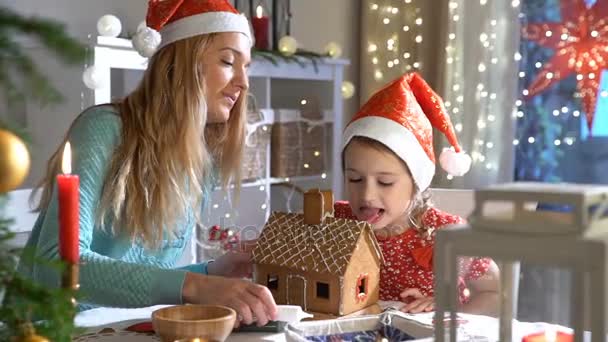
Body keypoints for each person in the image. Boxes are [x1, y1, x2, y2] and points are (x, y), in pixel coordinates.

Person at [19, 0, 277, 327]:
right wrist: (198, 286)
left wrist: (214, 272)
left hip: (120, 329)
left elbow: (139, 281)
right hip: (46, 330)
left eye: (247, 66)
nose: (243, 82)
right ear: (180, 64)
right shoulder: (103, 130)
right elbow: (57, 265)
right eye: (228, 61)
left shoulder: (197, 160)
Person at [334, 72, 500, 316]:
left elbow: (494, 292)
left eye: (385, 182)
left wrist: (448, 312)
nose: (367, 194)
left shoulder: (447, 236)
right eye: (355, 179)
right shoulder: (335, 221)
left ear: (416, 182)